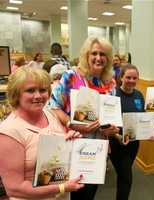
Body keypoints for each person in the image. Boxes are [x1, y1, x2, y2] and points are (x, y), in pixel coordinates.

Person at [49, 37, 119, 200]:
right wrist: (71, 124)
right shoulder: (71, 76)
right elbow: (53, 106)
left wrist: (112, 129)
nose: (98, 57)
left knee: (90, 192)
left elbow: (111, 116)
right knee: (73, 193)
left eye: (103, 54)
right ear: (86, 55)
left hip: (98, 149)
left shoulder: (110, 82)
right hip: (73, 145)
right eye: (94, 53)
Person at [0, 66, 84, 200]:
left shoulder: (50, 114)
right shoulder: (9, 131)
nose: (38, 96)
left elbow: (56, 155)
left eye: (43, 90)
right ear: (16, 94)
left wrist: (69, 142)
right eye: (30, 90)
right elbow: (14, 188)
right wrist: (62, 188)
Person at [109, 64, 154, 200]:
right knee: (126, 177)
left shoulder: (139, 95)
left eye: (134, 78)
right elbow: (106, 121)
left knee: (124, 174)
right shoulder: (113, 94)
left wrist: (149, 132)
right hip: (117, 143)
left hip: (134, 144)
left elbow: (143, 116)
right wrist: (118, 136)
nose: (131, 80)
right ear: (121, 77)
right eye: (128, 77)